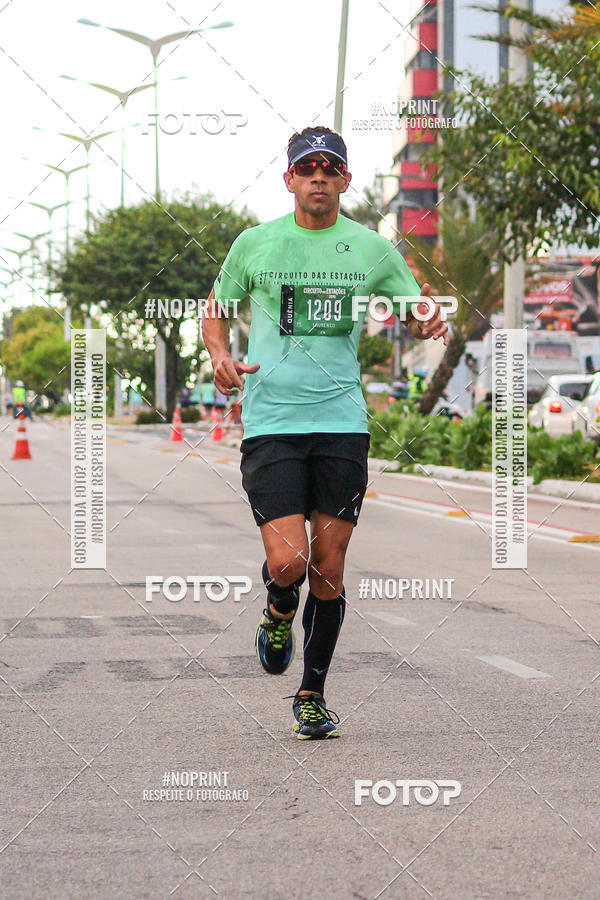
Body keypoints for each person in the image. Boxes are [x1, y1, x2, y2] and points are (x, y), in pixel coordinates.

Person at [202, 126, 448, 740]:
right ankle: (278, 607)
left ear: (344, 180)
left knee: (330, 566)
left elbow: (415, 309)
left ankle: (311, 694)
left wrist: (426, 321)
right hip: (272, 425)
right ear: (289, 178)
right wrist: (219, 358)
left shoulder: (371, 249)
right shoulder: (256, 245)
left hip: (341, 424)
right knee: (287, 561)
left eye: (329, 168)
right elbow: (215, 310)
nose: (317, 176)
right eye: (306, 167)